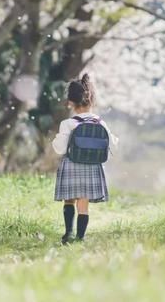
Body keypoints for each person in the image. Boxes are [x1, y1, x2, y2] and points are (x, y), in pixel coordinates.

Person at [52, 73, 117, 244]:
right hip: (92, 167)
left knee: (69, 200)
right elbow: (113, 145)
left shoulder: (68, 124)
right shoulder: (100, 123)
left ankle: (68, 233)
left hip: (72, 164)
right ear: (91, 100)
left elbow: (59, 148)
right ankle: (80, 237)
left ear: (71, 102)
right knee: (83, 204)